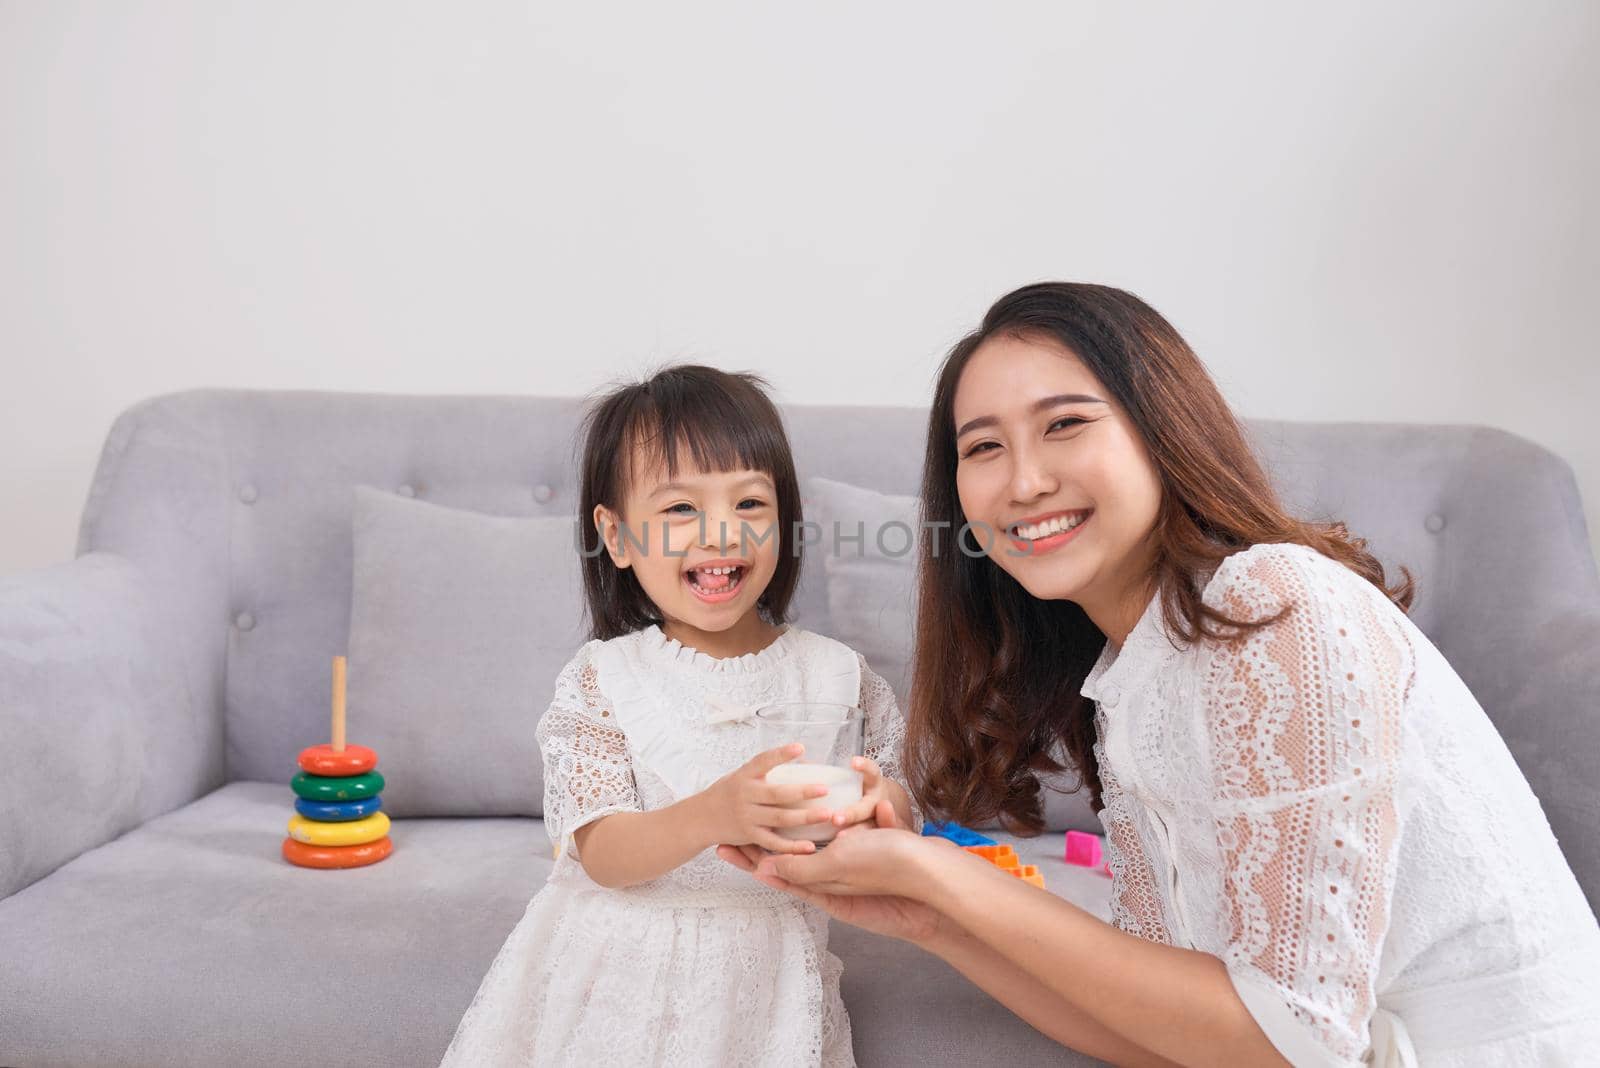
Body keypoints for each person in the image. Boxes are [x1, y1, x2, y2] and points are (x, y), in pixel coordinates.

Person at [722, 282, 1600, 1067]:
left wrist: (943, 876)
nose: (1023, 480)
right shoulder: (1128, 676)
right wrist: (928, 915)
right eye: (983, 447)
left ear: (1160, 431)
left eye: (1065, 424)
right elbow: (1170, 1035)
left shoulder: (1271, 602)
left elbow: (1289, 1037)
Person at [440, 364, 916, 1067]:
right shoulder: (606, 679)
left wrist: (886, 808)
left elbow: (901, 807)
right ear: (618, 536)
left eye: (750, 504)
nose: (720, 532)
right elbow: (600, 854)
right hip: (616, 984)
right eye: (679, 510)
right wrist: (713, 815)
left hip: (770, 986)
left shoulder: (839, 677)